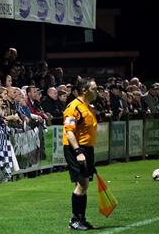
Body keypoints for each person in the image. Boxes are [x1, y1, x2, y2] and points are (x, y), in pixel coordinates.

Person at [62, 77, 98, 230]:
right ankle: (75, 220)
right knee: (82, 184)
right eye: (94, 89)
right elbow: (69, 132)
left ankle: (81, 219)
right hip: (76, 148)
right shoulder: (73, 107)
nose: (97, 91)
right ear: (84, 90)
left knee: (84, 184)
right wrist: (78, 151)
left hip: (87, 149)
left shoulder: (88, 106)